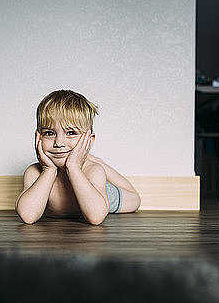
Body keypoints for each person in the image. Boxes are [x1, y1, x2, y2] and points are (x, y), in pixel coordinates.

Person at [15, 90, 141, 225]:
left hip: (96, 195)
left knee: (135, 199)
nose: (59, 143)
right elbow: (28, 216)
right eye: (49, 133)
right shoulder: (34, 172)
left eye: (70, 132)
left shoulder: (93, 171)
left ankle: (97, 159)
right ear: (38, 137)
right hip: (51, 174)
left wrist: (74, 167)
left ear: (89, 140)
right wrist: (48, 170)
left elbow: (96, 218)